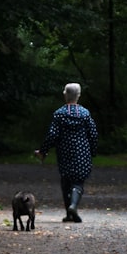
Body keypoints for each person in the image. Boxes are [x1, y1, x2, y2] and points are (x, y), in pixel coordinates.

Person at [34, 82, 98, 223]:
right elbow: (93, 134)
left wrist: (43, 151)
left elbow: (52, 134)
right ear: (79, 96)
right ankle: (73, 206)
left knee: (66, 181)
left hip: (64, 152)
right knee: (78, 182)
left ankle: (69, 213)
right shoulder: (85, 114)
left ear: (65, 95)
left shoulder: (59, 114)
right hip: (82, 152)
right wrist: (93, 151)